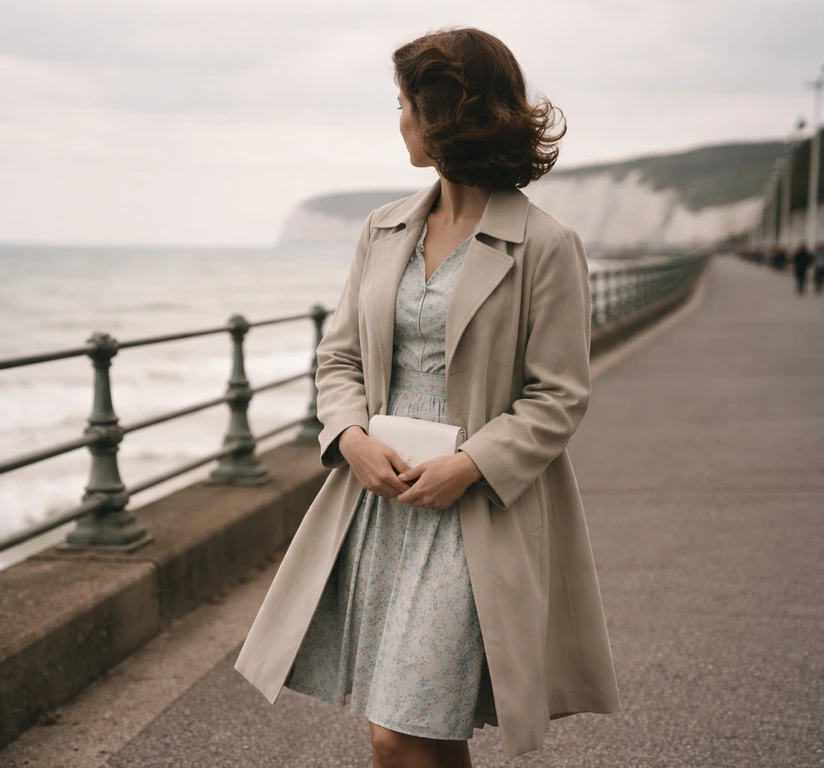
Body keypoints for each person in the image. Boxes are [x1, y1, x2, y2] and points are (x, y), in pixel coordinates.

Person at [234, 27, 620, 766]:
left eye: (407, 104)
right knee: (424, 729)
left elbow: (559, 395)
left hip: (477, 507)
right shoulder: (384, 229)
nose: (400, 120)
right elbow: (339, 356)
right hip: (381, 500)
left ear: (444, 113)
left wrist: (469, 464)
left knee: (399, 731)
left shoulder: (545, 245)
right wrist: (348, 439)